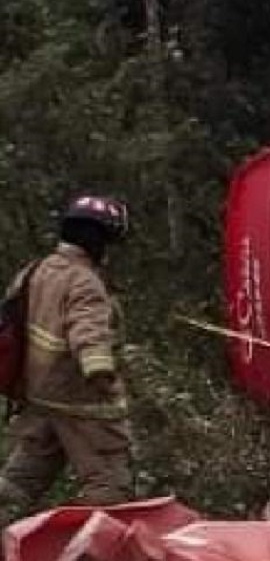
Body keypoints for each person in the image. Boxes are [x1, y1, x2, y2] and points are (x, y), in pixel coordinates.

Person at [0, 196, 132, 515]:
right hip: (81, 403)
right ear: (99, 240)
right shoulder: (84, 281)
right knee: (110, 489)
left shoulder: (36, 270)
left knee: (18, 484)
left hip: (40, 397)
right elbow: (87, 331)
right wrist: (101, 374)